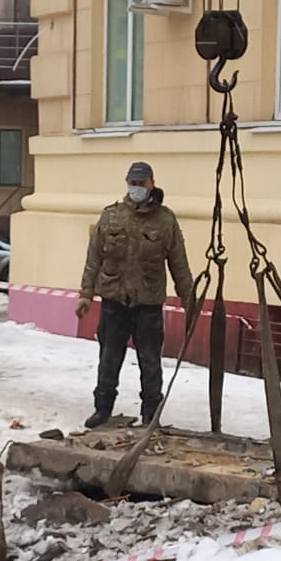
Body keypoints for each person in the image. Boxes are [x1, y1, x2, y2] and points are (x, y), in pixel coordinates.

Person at [76, 161, 194, 429]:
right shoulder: (111, 216)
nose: (136, 188)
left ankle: (151, 415)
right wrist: (86, 294)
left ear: (152, 183)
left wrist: (189, 301)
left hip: (148, 304)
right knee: (108, 359)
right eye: (132, 183)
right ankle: (102, 410)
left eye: (141, 184)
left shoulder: (165, 220)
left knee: (150, 363)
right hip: (114, 301)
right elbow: (94, 257)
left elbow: (179, 264)